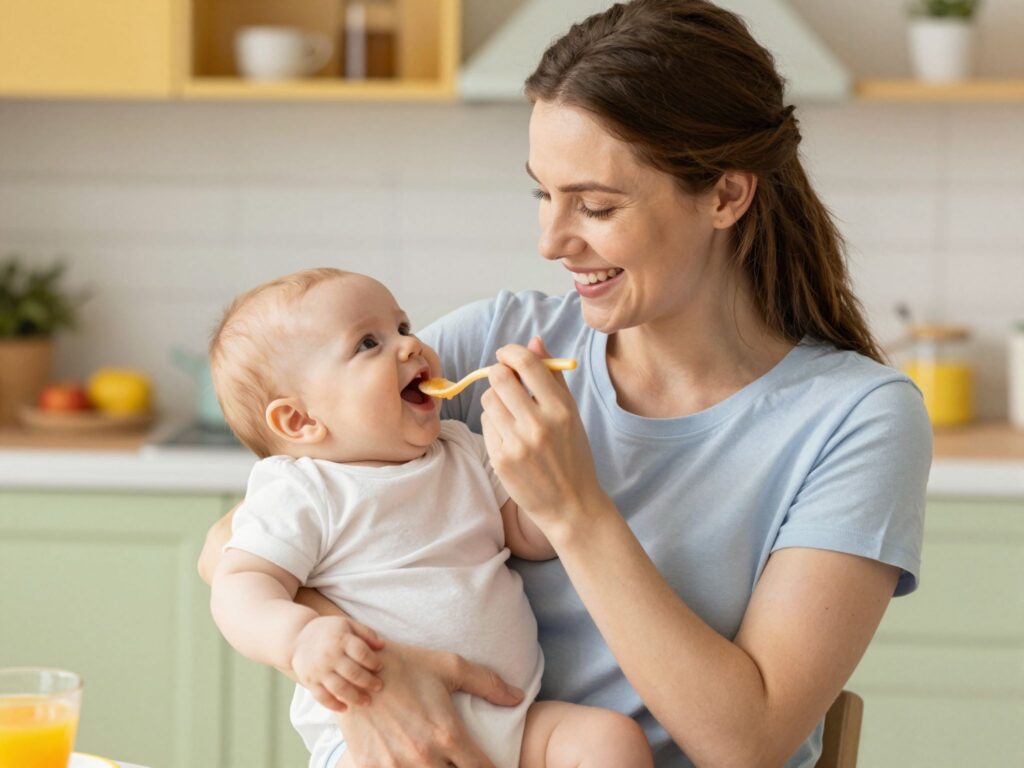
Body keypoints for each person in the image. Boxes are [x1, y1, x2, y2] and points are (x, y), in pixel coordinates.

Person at [199, 1, 931, 765]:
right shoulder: (498, 344)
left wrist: (575, 511)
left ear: (724, 195)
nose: (551, 240)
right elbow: (235, 545)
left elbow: (745, 743)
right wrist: (380, 676)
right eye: (543, 194)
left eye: (596, 205)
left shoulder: (858, 420)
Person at [205, 268, 653, 768]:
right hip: (376, 745)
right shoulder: (303, 489)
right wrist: (298, 639)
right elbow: (238, 585)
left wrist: (543, 457)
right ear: (300, 421)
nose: (410, 345)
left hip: (513, 719)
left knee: (609, 741)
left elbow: (532, 537)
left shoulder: (463, 447)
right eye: (368, 343)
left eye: (403, 326)